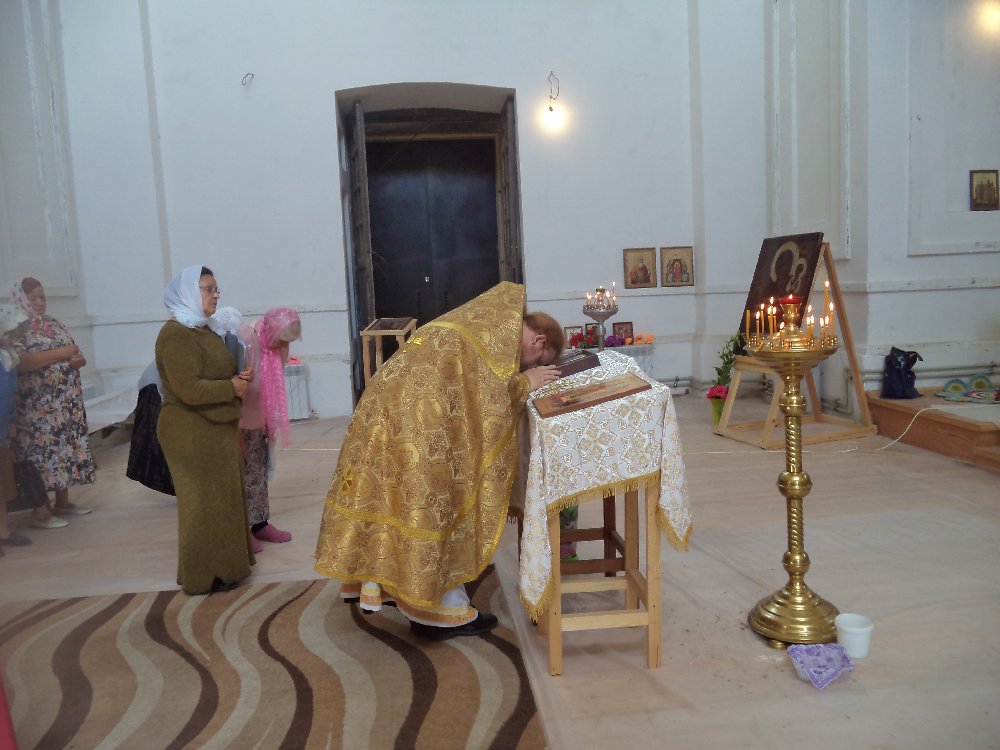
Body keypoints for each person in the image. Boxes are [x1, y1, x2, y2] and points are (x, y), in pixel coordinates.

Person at [315, 281, 563, 639]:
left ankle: (390, 588)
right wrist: (527, 382)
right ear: (539, 340)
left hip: (388, 411)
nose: (527, 365)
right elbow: (490, 400)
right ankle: (440, 612)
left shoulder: (481, 323)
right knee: (435, 506)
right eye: (538, 362)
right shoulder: (492, 338)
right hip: (418, 426)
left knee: (395, 502)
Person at [155, 266, 255, 595]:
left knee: (222, 501)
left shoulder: (203, 329)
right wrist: (231, 387)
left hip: (214, 427)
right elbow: (189, 389)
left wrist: (239, 379)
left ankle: (226, 570)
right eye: (208, 289)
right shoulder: (175, 335)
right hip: (189, 432)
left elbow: (216, 372)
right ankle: (203, 577)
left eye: (216, 289)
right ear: (187, 293)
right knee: (201, 506)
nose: (216, 295)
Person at [8, 277, 95, 528]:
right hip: (37, 407)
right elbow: (22, 361)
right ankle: (41, 510)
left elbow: (75, 351)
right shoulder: (17, 328)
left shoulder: (52, 324)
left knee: (63, 451)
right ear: (21, 299)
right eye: (34, 298)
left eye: (42, 297)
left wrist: (77, 360)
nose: (40, 302)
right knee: (41, 454)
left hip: (64, 404)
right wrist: (62, 353)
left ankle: (63, 501)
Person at [237, 307, 301, 553]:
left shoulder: (279, 345)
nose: (284, 347)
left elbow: (272, 382)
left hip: (261, 417)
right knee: (242, 475)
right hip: (239, 419)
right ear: (272, 331)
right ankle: (242, 529)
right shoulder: (245, 340)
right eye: (282, 341)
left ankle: (260, 523)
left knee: (259, 473)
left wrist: (268, 421)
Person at [0, 304, 35, 554]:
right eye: (13, 334)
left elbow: (9, 396)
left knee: (3, 484)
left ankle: (3, 531)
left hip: (2, 430)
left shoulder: (9, 358)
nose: (17, 338)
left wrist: (11, 420)